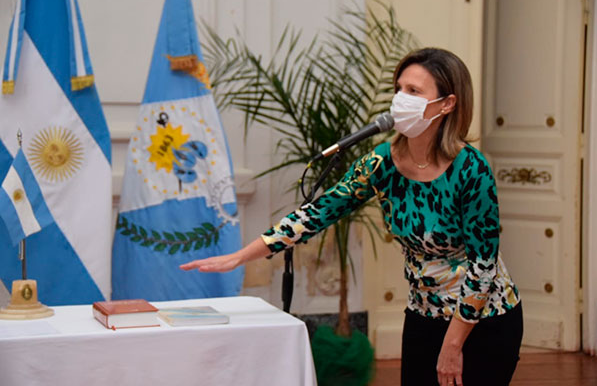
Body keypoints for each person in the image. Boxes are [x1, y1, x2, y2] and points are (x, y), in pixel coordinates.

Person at [181, 47, 523, 386]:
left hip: (482, 318)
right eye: (399, 88)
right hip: (424, 313)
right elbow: (318, 212)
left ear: (447, 104)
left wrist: (452, 345)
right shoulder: (383, 161)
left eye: (414, 91)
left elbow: (483, 265)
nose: (400, 99)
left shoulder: (471, 169)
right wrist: (240, 256)